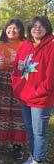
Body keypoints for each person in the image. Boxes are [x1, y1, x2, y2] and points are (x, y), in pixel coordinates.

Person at [12, 16, 54, 164]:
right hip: (24, 97)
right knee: (30, 130)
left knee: (39, 132)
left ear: (47, 28)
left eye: (41, 26)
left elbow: (51, 78)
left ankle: (38, 159)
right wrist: (16, 85)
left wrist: (38, 92)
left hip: (41, 99)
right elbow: (17, 68)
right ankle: (33, 155)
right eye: (34, 25)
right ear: (30, 29)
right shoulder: (25, 46)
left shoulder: (51, 47)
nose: (37, 28)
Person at [0, 19, 27, 160]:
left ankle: (17, 145)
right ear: (5, 30)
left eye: (16, 28)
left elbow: (31, 64)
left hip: (19, 82)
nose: (12, 31)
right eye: (9, 28)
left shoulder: (26, 45)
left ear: (21, 30)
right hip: (1, 82)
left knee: (17, 114)